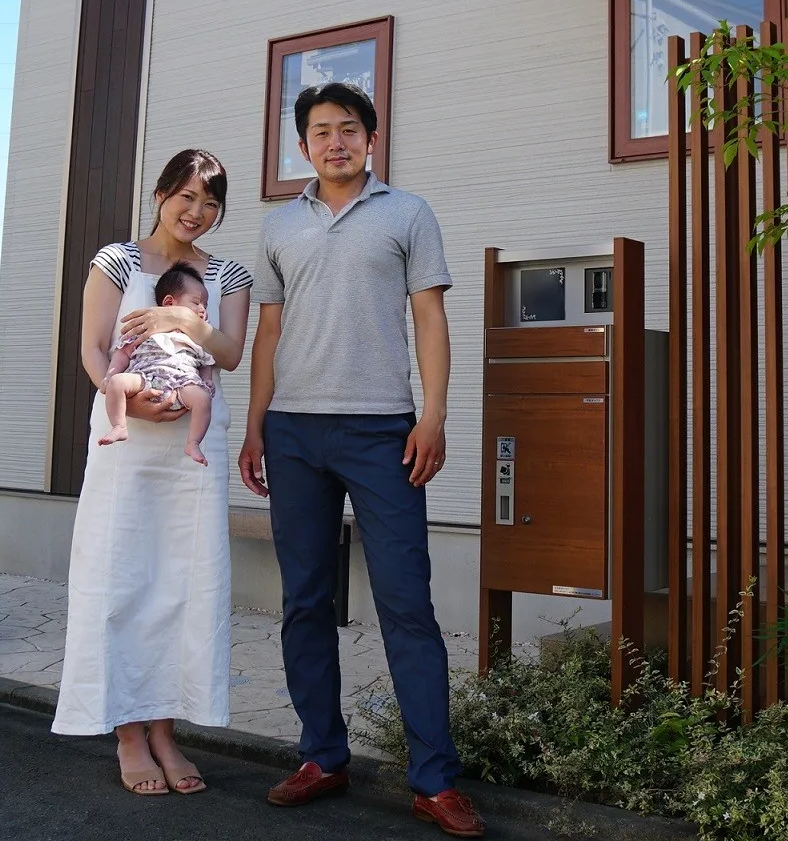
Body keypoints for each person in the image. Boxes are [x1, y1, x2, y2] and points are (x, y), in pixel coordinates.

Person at [240, 82, 484, 838]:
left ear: (370, 139)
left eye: (349, 128)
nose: (335, 141)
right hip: (293, 432)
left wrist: (433, 416)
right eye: (320, 131)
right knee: (305, 601)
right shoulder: (279, 225)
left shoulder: (407, 213)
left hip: (383, 432)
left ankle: (434, 780)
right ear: (302, 146)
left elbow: (430, 319)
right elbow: (269, 333)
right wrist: (254, 428)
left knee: (406, 603)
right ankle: (322, 757)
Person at [53, 149, 252, 798]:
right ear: (162, 193)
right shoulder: (117, 260)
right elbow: (92, 346)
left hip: (193, 452)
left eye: (210, 203)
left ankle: (165, 731)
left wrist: (179, 318)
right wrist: (127, 400)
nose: (196, 212)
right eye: (186, 196)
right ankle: (128, 735)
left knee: (183, 586)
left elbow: (229, 354)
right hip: (126, 444)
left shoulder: (229, 274)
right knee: (121, 579)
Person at [100, 262, 215, 466]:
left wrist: (207, 381)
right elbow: (123, 352)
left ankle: (193, 442)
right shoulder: (148, 326)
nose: (202, 310)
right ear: (169, 303)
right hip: (144, 377)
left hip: (182, 383)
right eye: (196, 302)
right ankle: (119, 426)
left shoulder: (196, 336)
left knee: (203, 399)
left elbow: (206, 362)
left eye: (205, 306)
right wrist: (110, 374)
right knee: (116, 383)